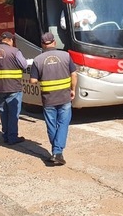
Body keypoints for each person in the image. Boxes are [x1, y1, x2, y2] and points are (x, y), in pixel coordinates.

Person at [29, 32, 77, 165]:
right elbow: (74, 75)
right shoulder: (66, 56)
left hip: (48, 99)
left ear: (42, 44)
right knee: (63, 124)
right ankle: (57, 152)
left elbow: (33, 81)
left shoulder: (37, 60)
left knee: (51, 125)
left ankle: (56, 152)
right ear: (54, 42)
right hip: (64, 97)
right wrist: (73, 90)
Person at [0, 31, 28, 145]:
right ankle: (12, 137)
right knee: (13, 113)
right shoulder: (15, 51)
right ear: (10, 40)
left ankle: (5, 135)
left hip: (0, 87)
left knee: (3, 112)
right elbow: (24, 65)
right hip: (13, 87)